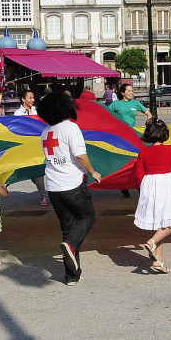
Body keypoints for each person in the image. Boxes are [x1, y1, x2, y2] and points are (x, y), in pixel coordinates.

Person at [38, 91, 102, 286]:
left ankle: (71, 275)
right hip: (72, 184)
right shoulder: (70, 128)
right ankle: (71, 246)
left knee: (68, 228)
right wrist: (93, 172)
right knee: (87, 217)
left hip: (54, 187)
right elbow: (80, 156)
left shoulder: (45, 132)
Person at [133, 119, 171, 273]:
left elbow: (138, 175)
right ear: (164, 135)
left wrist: (143, 193)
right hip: (164, 186)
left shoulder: (143, 152)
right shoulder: (170, 150)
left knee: (161, 225)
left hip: (149, 186)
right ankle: (151, 242)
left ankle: (159, 261)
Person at [13, 90, 49, 205]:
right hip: (25, 146)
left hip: (38, 144)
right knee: (31, 169)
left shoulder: (37, 111)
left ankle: (43, 196)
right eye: (30, 98)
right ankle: (32, 176)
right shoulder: (18, 113)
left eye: (33, 98)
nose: (32, 100)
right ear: (23, 99)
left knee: (39, 171)